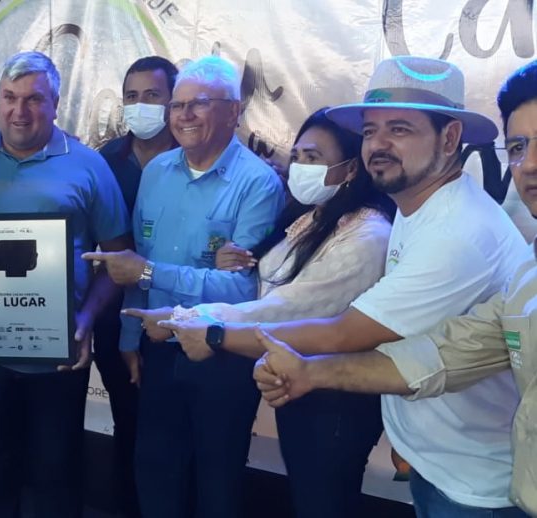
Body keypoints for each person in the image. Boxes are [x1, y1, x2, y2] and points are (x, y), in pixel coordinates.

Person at [159, 56, 529, 517]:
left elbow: (342, 333)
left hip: (477, 482)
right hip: (441, 461)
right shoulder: (418, 205)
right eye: (371, 131)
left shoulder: (456, 233)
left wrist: (216, 335)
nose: (379, 145)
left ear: (450, 138)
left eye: (400, 129)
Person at [128, 107, 394, 518]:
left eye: (314, 158)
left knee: (322, 502)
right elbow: (267, 286)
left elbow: (286, 308)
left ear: (351, 168)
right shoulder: (314, 218)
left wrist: (185, 319)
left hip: (335, 398)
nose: (300, 167)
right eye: (298, 156)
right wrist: (236, 263)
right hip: (294, 380)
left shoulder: (368, 235)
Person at [0, 50, 131, 518]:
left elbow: (118, 259)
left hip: (59, 354)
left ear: (55, 103)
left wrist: (85, 319)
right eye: (9, 97)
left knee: (57, 478)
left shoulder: (88, 166)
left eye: (34, 99)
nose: (19, 110)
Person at [84, 55, 285, 517]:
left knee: (216, 480)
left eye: (200, 104)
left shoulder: (257, 184)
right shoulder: (157, 172)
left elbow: (243, 291)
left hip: (221, 352)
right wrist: (130, 338)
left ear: (233, 112)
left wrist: (149, 274)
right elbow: (138, 260)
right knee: (156, 471)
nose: (185, 115)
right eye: (177, 105)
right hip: (156, 349)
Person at [94, 55, 178, 518]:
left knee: (171, 437)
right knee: (128, 424)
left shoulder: (195, 157)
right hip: (114, 317)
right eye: (131, 96)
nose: (140, 105)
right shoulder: (105, 160)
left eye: (152, 95)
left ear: (173, 101)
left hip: (177, 317)